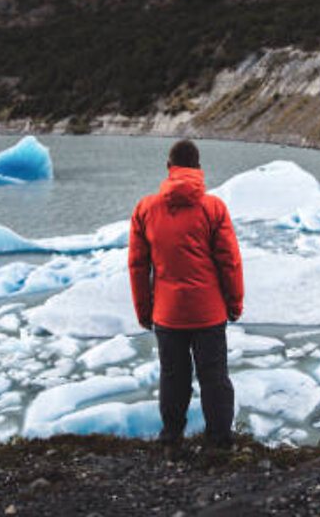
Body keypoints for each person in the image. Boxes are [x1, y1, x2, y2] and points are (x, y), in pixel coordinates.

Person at [128, 139, 244, 459]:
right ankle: (220, 441)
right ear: (198, 167)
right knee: (215, 378)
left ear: (169, 167)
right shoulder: (214, 207)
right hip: (209, 313)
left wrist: (144, 311)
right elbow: (229, 261)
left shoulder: (145, 209)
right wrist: (234, 304)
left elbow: (138, 267)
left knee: (173, 377)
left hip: (167, 314)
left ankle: (171, 439)